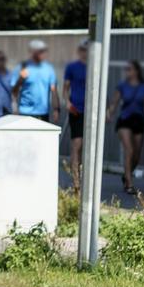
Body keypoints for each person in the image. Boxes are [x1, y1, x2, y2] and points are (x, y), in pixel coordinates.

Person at [106, 60, 144, 195]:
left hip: (138, 120)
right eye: (126, 69)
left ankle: (126, 175)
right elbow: (114, 103)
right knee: (129, 150)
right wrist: (109, 114)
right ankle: (129, 183)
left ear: (136, 71)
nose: (127, 71)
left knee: (137, 155)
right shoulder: (122, 86)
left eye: (129, 69)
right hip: (125, 120)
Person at [11, 39, 60, 123]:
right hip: (25, 112)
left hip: (43, 113)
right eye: (41, 51)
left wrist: (56, 109)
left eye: (44, 51)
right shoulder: (22, 67)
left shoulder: (49, 68)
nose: (44, 53)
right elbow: (14, 92)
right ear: (33, 52)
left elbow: (54, 90)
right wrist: (20, 80)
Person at [63, 39, 89, 193]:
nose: (85, 52)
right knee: (77, 145)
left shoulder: (95, 66)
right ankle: (76, 184)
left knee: (88, 146)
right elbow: (65, 88)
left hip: (91, 111)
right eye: (83, 49)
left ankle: (87, 182)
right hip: (76, 110)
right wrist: (66, 102)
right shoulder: (72, 67)